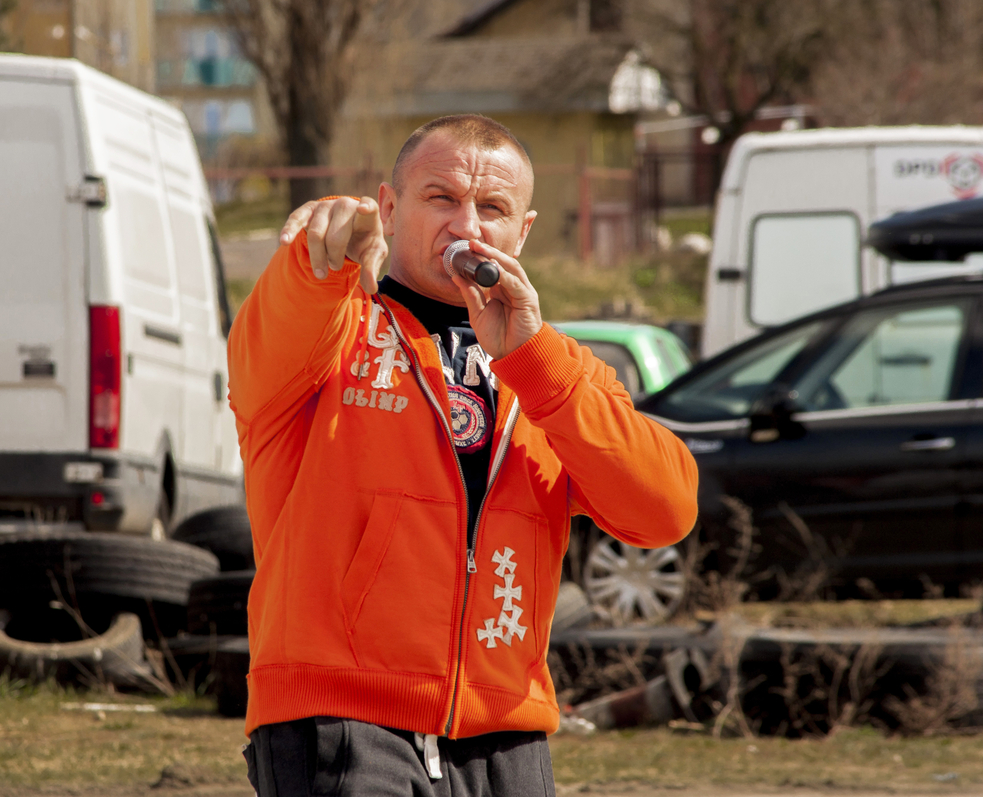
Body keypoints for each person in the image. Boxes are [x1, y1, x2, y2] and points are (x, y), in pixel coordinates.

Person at [227, 114, 698, 796]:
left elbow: (665, 508)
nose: (466, 226)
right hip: (343, 719)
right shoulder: (336, 330)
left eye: (493, 208)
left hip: (505, 730)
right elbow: (274, 334)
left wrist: (533, 360)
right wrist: (318, 259)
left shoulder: (558, 371)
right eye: (440, 198)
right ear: (391, 208)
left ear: (523, 232)